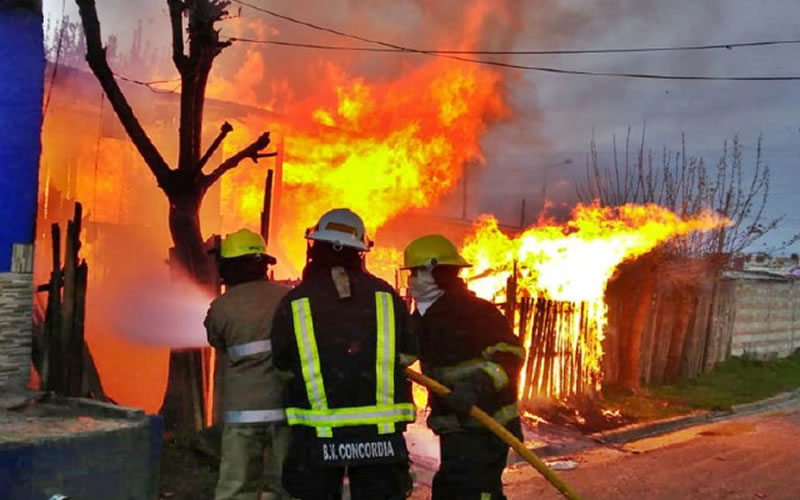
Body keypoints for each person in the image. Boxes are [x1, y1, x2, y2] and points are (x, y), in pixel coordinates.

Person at [271, 208, 418, 500]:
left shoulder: (295, 301)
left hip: (317, 437)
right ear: (360, 252)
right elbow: (408, 355)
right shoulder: (387, 297)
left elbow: (283, 365)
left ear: (315, 248)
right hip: (380, 438)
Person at [403, 234, 526, 500]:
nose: (412, 280)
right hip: (458, 426)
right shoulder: (426, 316)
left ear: (434, 271)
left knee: (472, 492)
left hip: (489, 425)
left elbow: (510, 354)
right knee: (456, 490)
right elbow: (405, 353)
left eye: (415, 272)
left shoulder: (476, 312)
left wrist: (474, 387)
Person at [205, 229, 291, 500]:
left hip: (242, 415)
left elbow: (217, 341)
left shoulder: (221, 307)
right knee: (288, 485)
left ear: (227, 267)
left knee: (237, 488)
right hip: (286, 410)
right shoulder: (289, 298)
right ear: (264, 264)